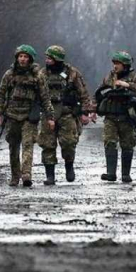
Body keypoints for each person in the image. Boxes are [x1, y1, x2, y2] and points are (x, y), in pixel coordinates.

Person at [0, 45, 55, 187]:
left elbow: (45, 98)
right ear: (17, 58)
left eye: (25, 57)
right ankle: (15, 175)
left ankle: (26, 174)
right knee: (13, 147)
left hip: (29, 116)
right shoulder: (9, 74)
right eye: (20, 56)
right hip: (12, 115)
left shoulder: (37, 76)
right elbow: (0, 95)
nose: (22, 59)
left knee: (28, 144)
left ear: (30, 59)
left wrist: (50, 117)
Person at [37, 45, 95, 185]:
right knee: (47, 144)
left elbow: (83, 93)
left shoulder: (72, 73)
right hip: (48, 114)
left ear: (57, 59)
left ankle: (69, 166)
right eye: (47, 57)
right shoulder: (42, 74)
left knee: (69, 143)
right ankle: (50, 176)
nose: (47, 60)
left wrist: (86, 112)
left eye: (50, 58)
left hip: (67, 113)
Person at [95, 50, 136, 183]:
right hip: (111, 117)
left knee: (127, 144)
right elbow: (99, 92)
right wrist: (92, 109)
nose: (115, 66)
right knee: (109, 142)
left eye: (118, 63)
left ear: (125, 65)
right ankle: (111, 173)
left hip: (127, 117)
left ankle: (125, 174)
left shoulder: (135, 77)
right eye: (114, 63)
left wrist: (127, 85)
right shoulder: (110, 77)